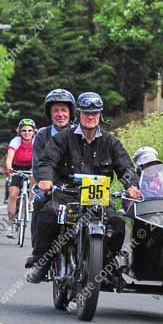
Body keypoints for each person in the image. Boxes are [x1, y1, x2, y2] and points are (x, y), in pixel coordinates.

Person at [27, 92, 142, 283]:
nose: (91, 117)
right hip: (66, 195)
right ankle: (42, 263)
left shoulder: (110, 141)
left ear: (100, 115)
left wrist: (131, 186)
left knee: (118, 226)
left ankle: (106, 265)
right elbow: (46, 161)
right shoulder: (62, 138)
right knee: (47, 216)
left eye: (95, 113)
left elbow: (126, 167)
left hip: (99, 198)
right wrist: (45, 180)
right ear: (79, 114)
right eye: (87, 113)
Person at [25, 89, 76, 268]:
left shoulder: (80, 133)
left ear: (71, 112)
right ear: (50, 113)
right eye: (56, 110)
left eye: (64, 109)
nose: (60, 114)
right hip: (51, 187)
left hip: (77, 187)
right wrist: (46, 184)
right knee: (39, 203)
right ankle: (38, 253)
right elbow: (38, 165)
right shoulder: (42, 135)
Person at [5, 118, 36, 238]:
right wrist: (10, 169)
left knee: (34, 176)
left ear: (33, 132)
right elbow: (9, 158)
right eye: (24, 130)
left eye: (29, 130)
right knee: (13, 194)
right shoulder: (16, 141)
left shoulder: (36, 141)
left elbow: (40, 158)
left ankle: (32, 201)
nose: (27, 133)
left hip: (31, 166)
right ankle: (11, 224)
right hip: (17, 167)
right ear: (20, 132)